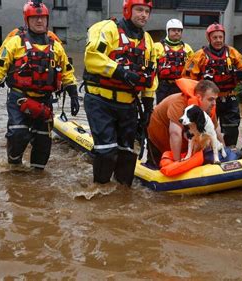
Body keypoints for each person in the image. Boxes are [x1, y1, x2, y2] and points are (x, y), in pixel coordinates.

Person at [0, 0, 79, 170]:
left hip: (45, 101)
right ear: (27, 20)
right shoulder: (15, 43)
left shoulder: (56, 46)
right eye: (35, 18)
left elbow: (67, 72)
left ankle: (37, 178)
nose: (39, 21)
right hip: (19, 98)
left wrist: (73, 96)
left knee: (43, 145)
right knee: (18, 134)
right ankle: (14, 166)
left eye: (42, 17)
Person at [82, 0, 157, 186]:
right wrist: (120, 72)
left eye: (147, 11)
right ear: (127, 10)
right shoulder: (108, 29)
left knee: (126, 152)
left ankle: (122, 193)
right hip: (100, 100)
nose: (144, 15)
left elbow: (150, 75)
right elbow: (92, 57)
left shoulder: (148, 41)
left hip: (128, 104)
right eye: (139, 10)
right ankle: (100, 190)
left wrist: (148, 106)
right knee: (107, 151)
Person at [182, 23, 242, 148]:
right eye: (215, 37)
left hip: (229, 97)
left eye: (220, 37)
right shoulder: (200, 55)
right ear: (209, 38)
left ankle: (230, 150)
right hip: (209, 99)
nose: (218, 40)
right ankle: (207, 150)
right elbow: (188, 78)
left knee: (231, 128)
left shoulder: (232, 52)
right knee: (207, 127)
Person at [147, 79, 225, 165]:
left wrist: (225, 149)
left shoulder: (209, 107)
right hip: (159, 137)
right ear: (199, 97)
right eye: (211, 99)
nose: (214, 103)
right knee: (158, 163)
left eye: (215, 99)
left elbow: (215, 130)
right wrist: (177, 163)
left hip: (185, 139)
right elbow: (175, 133)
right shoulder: (179, 104)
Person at [154, 19, 194, 104]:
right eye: (173, 30)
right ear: (167, 31)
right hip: (163, 86)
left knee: (178, 110)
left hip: (181, 86)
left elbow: (193, 68)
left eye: (179, 30)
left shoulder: (187, 48)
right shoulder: (157, 47)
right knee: (162, 111)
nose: (176, 32)